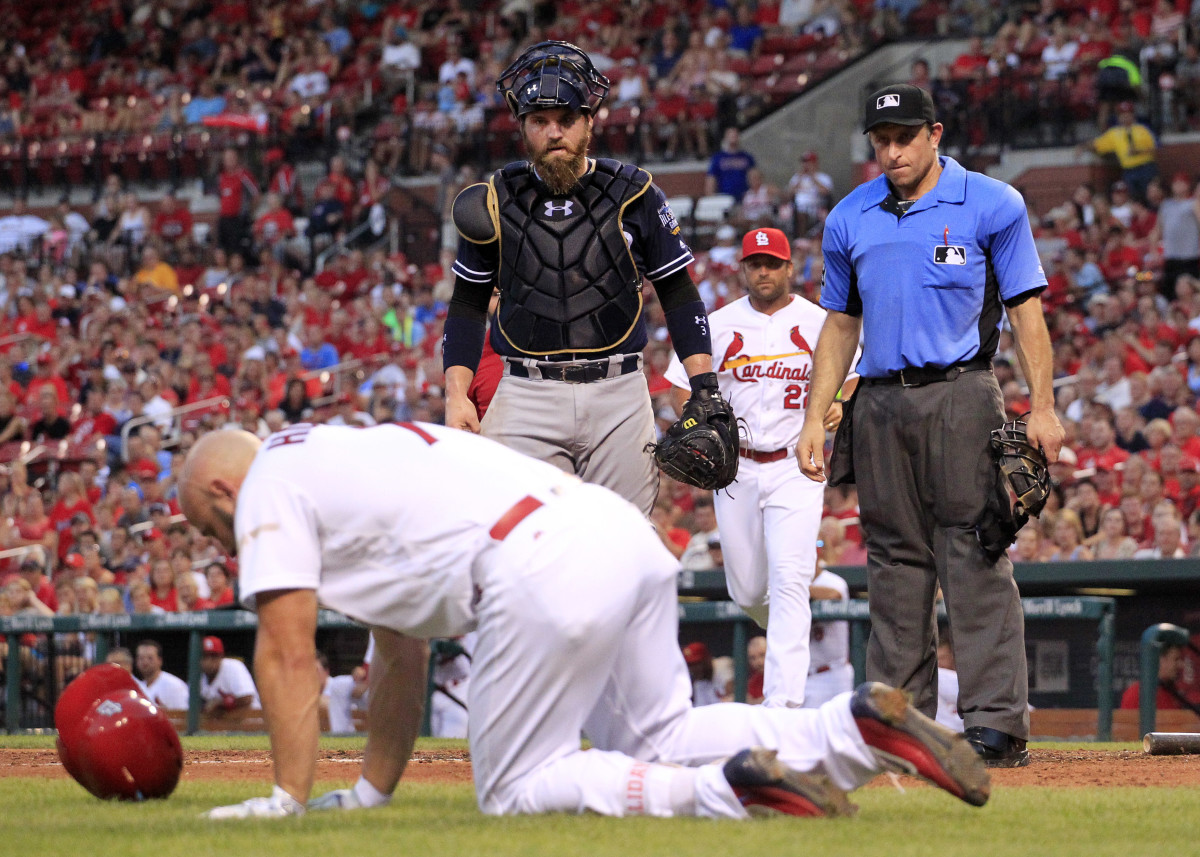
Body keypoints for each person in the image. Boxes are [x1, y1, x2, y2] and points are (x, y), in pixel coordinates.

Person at [179, 424, 990, 819]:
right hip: (611, 531)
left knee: (511, 788)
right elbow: (399, 649)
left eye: (213, 531)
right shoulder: (347, 450)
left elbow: (286, 653)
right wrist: (367, 792)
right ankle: (851, 730)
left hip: (532, 561)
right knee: (662, 731)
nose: (226, 544)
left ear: (222, 494)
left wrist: (286, 798)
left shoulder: (265, 484)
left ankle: (725, 791)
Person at [797, 84, 1065, 769]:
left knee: (975, 554)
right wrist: (812, 415)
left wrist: (1043, 406)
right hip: (879, 401)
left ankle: (996, 724)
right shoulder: (849, 215)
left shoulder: (993, 202)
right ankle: (899, 722)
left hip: (962, 392)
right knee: (892, 566)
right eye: (881, 140)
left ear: (935, 132)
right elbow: (839, 324)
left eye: (904, 137)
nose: (892, 151)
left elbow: (1027, 312)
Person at [442, 41, 722, 515]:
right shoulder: (491, 199)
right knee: (512, 545)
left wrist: (705, 387)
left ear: (590, 121)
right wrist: (456, 396)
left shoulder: (634, 193)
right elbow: (467, 305)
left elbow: (678, 291)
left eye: (566, 119)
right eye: (539, 121)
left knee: (625, 544)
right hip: (525, 392)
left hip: (619, 391)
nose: (554, 133)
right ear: (522, 127)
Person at [666, 227, 857, 708]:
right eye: (756, 263)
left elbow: (852, 377)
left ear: (790, 267)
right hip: (736, 470)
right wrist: (697, 422)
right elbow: (678, 385)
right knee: (748, 588)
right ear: (744, 268)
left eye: (773, 263)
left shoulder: (819, 321)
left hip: (799, 463)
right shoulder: (718, 323)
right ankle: (792, 628)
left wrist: (837, 401)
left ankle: (783, 706)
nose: (764, 271)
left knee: (791, 580)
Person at [1081, 102, 1158, 203]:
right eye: (1122, 114)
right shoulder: (1114, 133)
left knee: (1151, 196)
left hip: (1146, 168)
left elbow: (1154, 148)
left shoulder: (1142, 130)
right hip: (1129, 170)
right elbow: (1097, 144)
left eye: (1128, 114)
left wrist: (1138, 151)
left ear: (1133, 115)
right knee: (1133, 198)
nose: (1125, 117)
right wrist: (1082, 146)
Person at [805, 567, 854, 709]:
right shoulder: (787, 580)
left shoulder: (832, 581)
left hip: (832, 674)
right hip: (801, 677)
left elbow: (834, 594)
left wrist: (793, 589)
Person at [198, 635, 261, 717]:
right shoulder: (197, 675)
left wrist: (221, 703)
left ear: (221, 656)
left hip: (253, 720)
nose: (209, 661)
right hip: (221, 725)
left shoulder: (233, 667)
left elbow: (247, 698)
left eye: (214, 656)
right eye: (205, 656)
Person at [1120, 642, 1188, 709]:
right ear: (1160, 660)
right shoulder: (1137, 694)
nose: (1181, 665)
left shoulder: (1174, 692)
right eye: (1176, 659)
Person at [136, 638, 190, 710]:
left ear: (160, 661)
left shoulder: (174, 685)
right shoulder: (137, 685)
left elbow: (185, 715)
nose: (145, 662)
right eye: (141, 658)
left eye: (150, 658)